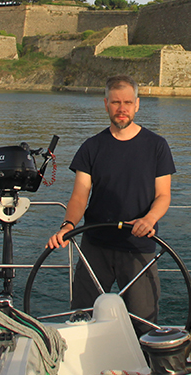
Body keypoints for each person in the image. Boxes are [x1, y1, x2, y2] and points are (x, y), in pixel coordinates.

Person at [47, 75, 175, 333]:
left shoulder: (157, 146)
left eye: (127, 102)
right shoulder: (91, 147)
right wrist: (68, 225)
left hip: (138, 246)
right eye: (116, 102)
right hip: (95, 246)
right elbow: (79, 196)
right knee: (81, 320)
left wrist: (149, 219)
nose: (122, 108)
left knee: (145, 326)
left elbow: (163, 195)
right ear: (106, 104)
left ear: (137, 104)